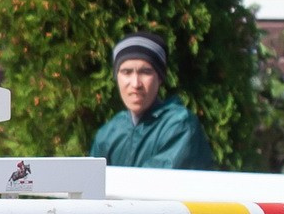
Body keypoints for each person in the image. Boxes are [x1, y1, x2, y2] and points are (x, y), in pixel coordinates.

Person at [87, 32, 215, 172]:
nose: (135, 83)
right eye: (126, 72)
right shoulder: (108, 133)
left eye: (145, 72)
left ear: (160, 78)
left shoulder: (180, 126)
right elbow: (93, 186)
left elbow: (155, 185)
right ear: (117, 77)